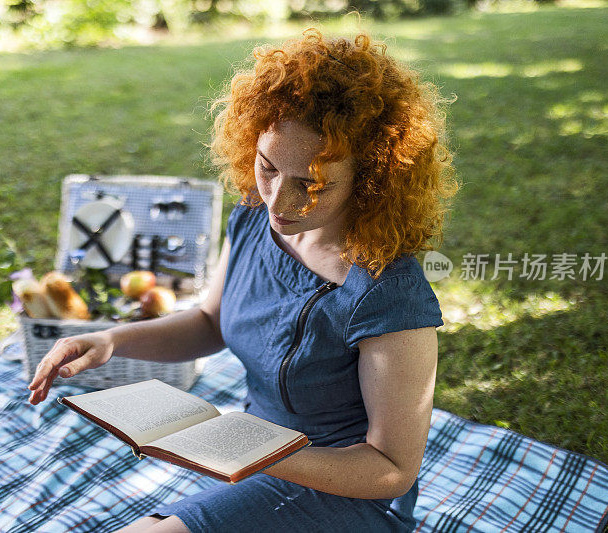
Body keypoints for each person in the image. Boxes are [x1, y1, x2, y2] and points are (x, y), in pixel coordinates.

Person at [27, 28, 458, 533]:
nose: (279, 201)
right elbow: (210, 321)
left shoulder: (388, 293)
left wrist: (256, 450)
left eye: (312, 184)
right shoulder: (255, 216)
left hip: (344, 491)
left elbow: (391, 471)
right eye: (267, 167)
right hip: (254, 462)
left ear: (371, 179)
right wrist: (110, 341)